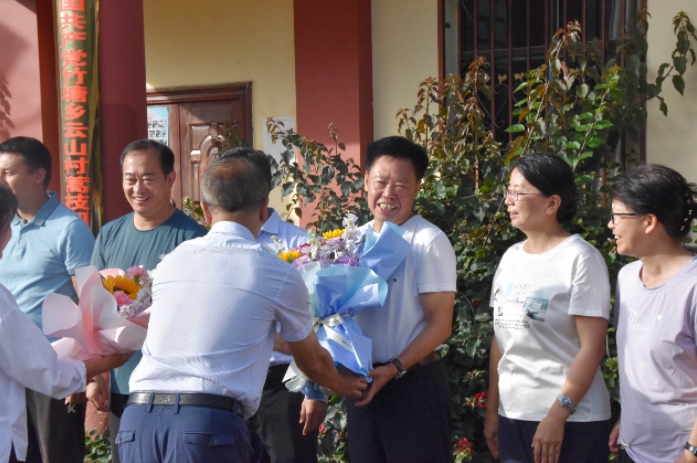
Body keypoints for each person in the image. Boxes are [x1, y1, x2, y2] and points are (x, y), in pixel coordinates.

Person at [117, 154, 368, 462]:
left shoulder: (173, 260)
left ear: (206, 209)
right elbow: (312, 361)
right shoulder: (274, 271)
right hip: (204, 425)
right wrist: (345, 384)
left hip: (138, 421)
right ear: (264, 208)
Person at [484, 153, 611, 463]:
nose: (508, 201)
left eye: (518, 192)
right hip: (514, 415)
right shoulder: (511, 257)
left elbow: (592, 347)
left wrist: (558, 415)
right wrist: (493, 411)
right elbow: (501, 341)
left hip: (572, 422)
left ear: (552, 203)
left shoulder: (581, 259)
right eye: (508, 191)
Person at [86, 139, 207, 462]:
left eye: (148, 178)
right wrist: (96, 376)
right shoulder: (109, 235)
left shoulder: (193, 239)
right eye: (130, 178)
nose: (137, 188)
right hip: (123, 385)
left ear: (170, 179)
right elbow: (93, 310)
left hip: (175, 390)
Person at [0, 186, 130, 463]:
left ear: (37, 174)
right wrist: (106, 363)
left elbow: (87, 294)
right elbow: (47, 372)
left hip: (47, 364)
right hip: (40, 373)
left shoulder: (69, 228)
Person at [347, 136, 457, 463]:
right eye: (381, 182)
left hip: (412, 385)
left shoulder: (428, 241)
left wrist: (394, 368)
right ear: (366, 180)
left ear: (418, 188)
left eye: (401, 185)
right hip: (362, 384)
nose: (388, 193)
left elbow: (441, 325)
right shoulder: (353, 241)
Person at [221, 147, 324, 463]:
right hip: (228, 383)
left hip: (282, 385)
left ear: (263, 192)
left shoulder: (298, 244)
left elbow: (320, 321)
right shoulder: (213, 246)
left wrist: (315, 389)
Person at [0, 136, 95, 463]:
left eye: (7, 172)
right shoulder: (4, 225)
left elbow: (91, 300)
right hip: (10, 367)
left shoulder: (70, 228)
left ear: (38, 174)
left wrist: (91, 373)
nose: (1, 181)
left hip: (54, 366)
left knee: (55, 454)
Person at [607, 165, 697, 463]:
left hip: (679, 454)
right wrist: (628, 419)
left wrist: (691, 452)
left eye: (617, 216)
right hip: (632, 449)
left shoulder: (693, 286)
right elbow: (645, 369)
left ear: (648, 221)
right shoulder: (626, 278)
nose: (610, 225)